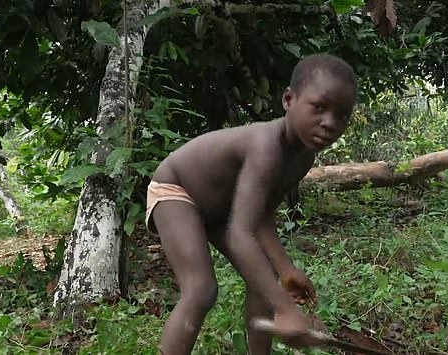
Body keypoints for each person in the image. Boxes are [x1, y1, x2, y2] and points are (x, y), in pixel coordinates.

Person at [145, 53, 358, 354]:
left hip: (221, 208)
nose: (329, 124)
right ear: (288, 99)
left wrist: (284, 269)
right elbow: (240, 234)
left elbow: (260, 216)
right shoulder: (266, 147)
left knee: (264, 281)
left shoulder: (303, 156)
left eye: (342, 115)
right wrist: (285, 309)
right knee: (201, 289)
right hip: (177, 190)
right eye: (319, 107)